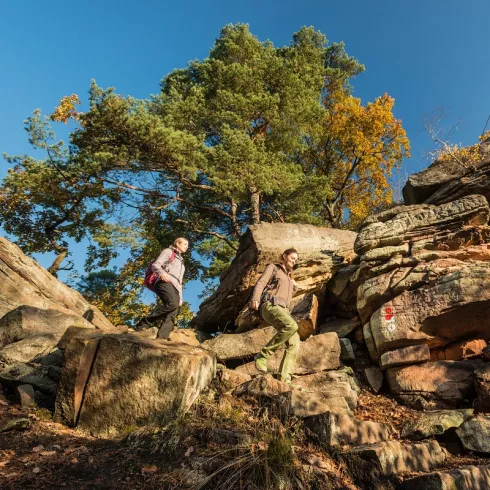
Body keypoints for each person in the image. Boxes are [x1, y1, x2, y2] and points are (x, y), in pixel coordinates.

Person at [250, 248, 300, 384]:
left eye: (295, 260)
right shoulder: (274, 268)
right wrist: (255, 298)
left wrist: (293, 286)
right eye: (292, 258)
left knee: (295, 342)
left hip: (283, 310)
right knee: (292, 325)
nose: (293, 261)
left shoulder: (290, 278)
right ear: (284, 256)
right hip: (269, 305)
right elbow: (261, 283)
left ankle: (285, 379)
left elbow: (286, 298)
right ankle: (263, 355)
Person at [136, 237, 189, 339]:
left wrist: (181, 297)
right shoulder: (168, 251)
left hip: (176, 287)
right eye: (185, 244)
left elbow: (180, 282)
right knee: (172, 303)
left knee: (172, 313)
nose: (187, 247)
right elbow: (156, 265)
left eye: (187, 245)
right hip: (164, 281)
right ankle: (143, 323)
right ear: (178, 243)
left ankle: (162, 339)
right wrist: (162, 273)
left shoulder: (182, 262)